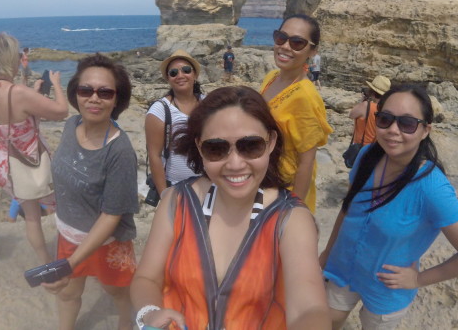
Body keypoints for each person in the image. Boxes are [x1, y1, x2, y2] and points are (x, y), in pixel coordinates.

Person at [131, 86, 330, 330]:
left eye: (251, 146)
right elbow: (146, 277)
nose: (235, 164)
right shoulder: (176, 201)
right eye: (217, 148)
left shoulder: (291, 219)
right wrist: (150, 313)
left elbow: (309, 309)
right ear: (200, 148)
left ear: (271, 143)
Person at [320, 85, 458, 329]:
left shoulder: (431, 187)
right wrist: (327, 253)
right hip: (342, 268)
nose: (393, 131)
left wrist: (418, 278)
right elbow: (348, 210)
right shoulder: (368, 155)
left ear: (425, 130)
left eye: (407, 123)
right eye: (385, 120)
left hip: (385, 290)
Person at [43, 53, 138, 330]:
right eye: (86, 90)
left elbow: (112, 215)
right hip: (68, 234)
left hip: (106, 243)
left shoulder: (120, 152)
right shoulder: (71, 126)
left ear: (116, 99)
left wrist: (72, 262)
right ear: (76, 93)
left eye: (105, 92)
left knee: (117, 291)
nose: (94, 98)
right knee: (68, 292)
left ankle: (125, 323)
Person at [0, 32, 68, 264]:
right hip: (33, 161)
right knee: (65, 208)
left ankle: (45, 263)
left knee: (32, 218)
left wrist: (33, 90)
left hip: (8, 162)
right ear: (10, 57)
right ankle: (67, 253)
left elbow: (13, 112)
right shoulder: (19, 93)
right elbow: (61, 111)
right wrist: (58, 85)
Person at [260, 14, 332, 212]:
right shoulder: (271, 78)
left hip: (284, 193)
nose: (285, 47)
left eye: (297, 42)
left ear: (312, 51)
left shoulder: (305, 97)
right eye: (281, 37)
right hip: (262, 182)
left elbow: (306, 163)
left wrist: (293, 210)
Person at [144, 50, 203, 196]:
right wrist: (165, 195)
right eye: (174, 73)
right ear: (168, 79)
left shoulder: (208, 104)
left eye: (186, 70)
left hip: (208, 185)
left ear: (194, 75)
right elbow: (154, 156)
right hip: (176, 188)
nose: (180, 76)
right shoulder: (160, 110)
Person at [349, 75, 391, 146]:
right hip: (375, 148)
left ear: (373, 92)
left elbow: (351, 115)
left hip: (360, 146)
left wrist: (362, 101)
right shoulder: (387, 109)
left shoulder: (366, 106)